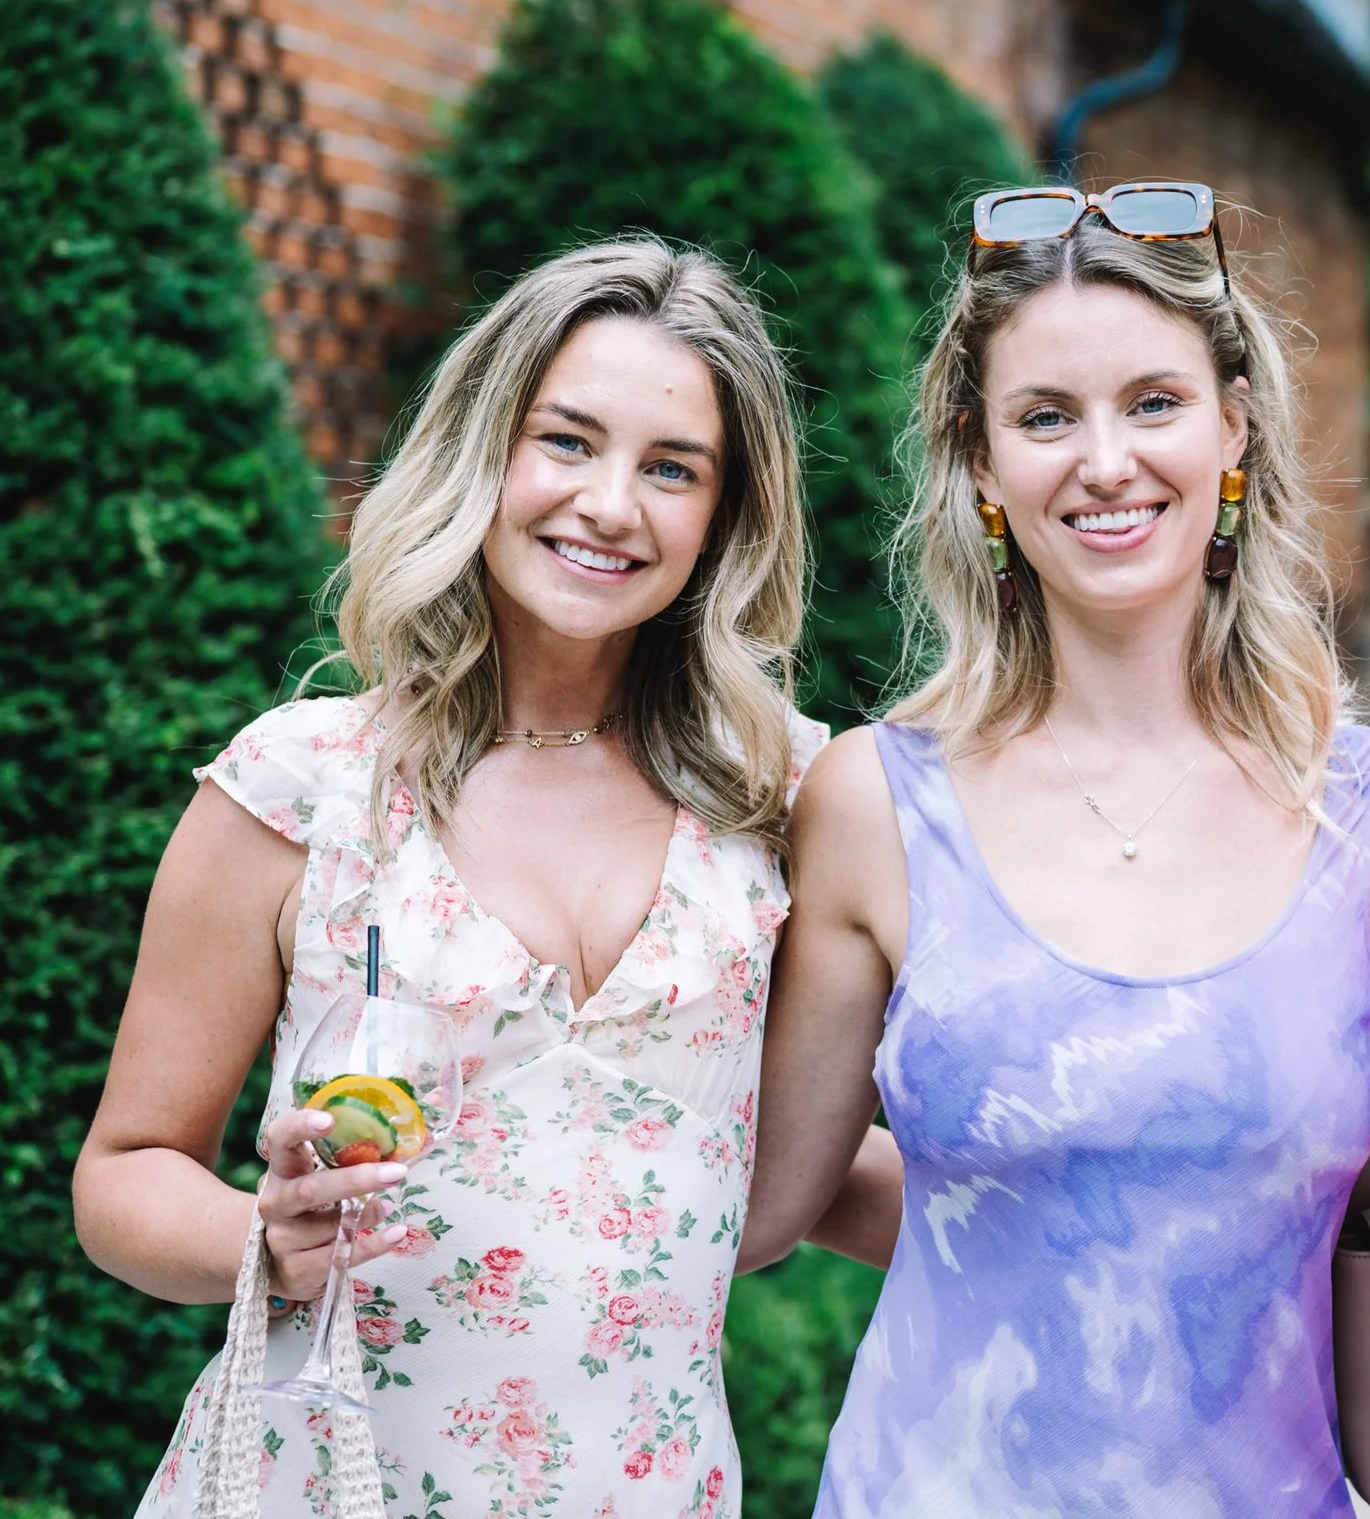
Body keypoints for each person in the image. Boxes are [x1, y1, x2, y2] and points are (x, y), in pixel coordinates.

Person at [73, 237, 830, 1517]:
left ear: (725, 514)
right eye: (566, 441)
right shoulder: (304, 782)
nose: (609, 503)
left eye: (672, 467)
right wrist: (261, 1234)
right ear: (486, 446)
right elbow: (123, 1171)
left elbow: (837, 1153)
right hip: (325, 1485)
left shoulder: (787, 799)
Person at [738, 181, 1370, 1518]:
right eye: (1046, 416)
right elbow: (772, 1197)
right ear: (980, 461)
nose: (1105, 460)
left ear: (1235, 426)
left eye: (1153, 402)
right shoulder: (875, 803)